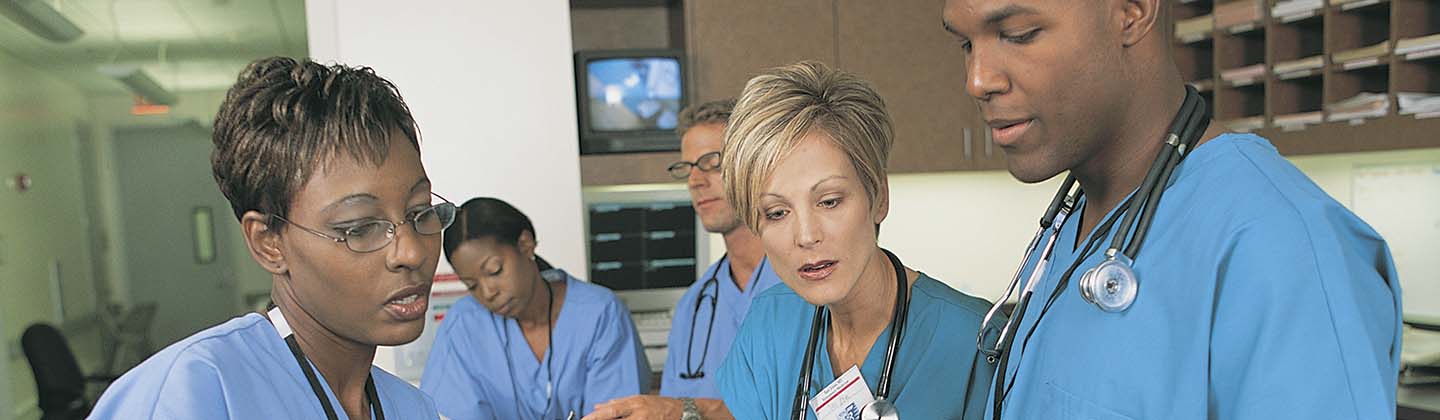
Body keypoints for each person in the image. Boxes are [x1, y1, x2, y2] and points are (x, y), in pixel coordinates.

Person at [940, 1, 1402, 418]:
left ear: (1133, 10)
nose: (977, 80)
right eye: (965, 43)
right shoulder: (1077, 224)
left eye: (1019, 33)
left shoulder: (1284, 251)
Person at [89, 57, 451, 419]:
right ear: (268, 243)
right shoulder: (193, 392)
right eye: (358, 227)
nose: (411, 251)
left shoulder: (411, 408)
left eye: (420, 213)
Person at [714, 61, 996, 420]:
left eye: (829, 201)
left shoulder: (975, 341)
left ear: (878, 197)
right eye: (776, 213)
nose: (806, 236)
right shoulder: (769, 324)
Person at [585, 99, 784, 420]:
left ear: (756, 166)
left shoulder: (806, 281)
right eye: (688, 168)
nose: (695, 180)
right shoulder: (694, 306)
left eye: (712, 163)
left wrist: (686, 410)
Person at [421, 197, 650, 419]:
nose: (488, 292)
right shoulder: (463, 326)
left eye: (494, 271)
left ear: (525, 244)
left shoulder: (600, 314)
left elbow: (619, 412)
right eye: (472, 285)